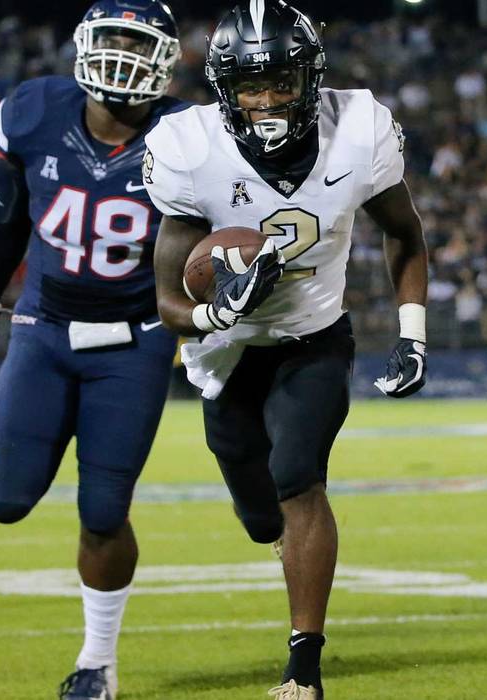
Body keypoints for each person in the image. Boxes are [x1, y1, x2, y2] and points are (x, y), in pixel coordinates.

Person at [143, 2, 429, 697]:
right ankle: (271, 529)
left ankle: (304, 666)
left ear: (310, 79)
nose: (267, 100)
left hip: (313, 337)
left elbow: (404, 231)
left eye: (281, 82)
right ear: (223, 91)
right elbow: (166, 303)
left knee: (299, 475)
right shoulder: (186, 147)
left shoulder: (359, 129)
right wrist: (219, 308)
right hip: (226, 353)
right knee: (258, 513)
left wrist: (412, 332)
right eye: (250, 86)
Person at [0, 3, 185, 698]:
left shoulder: (189, 134)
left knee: (103, 513)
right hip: (44, 330)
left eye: (137, 45)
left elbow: (213, 244)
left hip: (135, 342)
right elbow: (6, 220)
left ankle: (96, 662)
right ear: (82, 47)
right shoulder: (33, 110)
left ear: (168, 60)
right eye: (112, 41)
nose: (122, 57)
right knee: (4, 499)